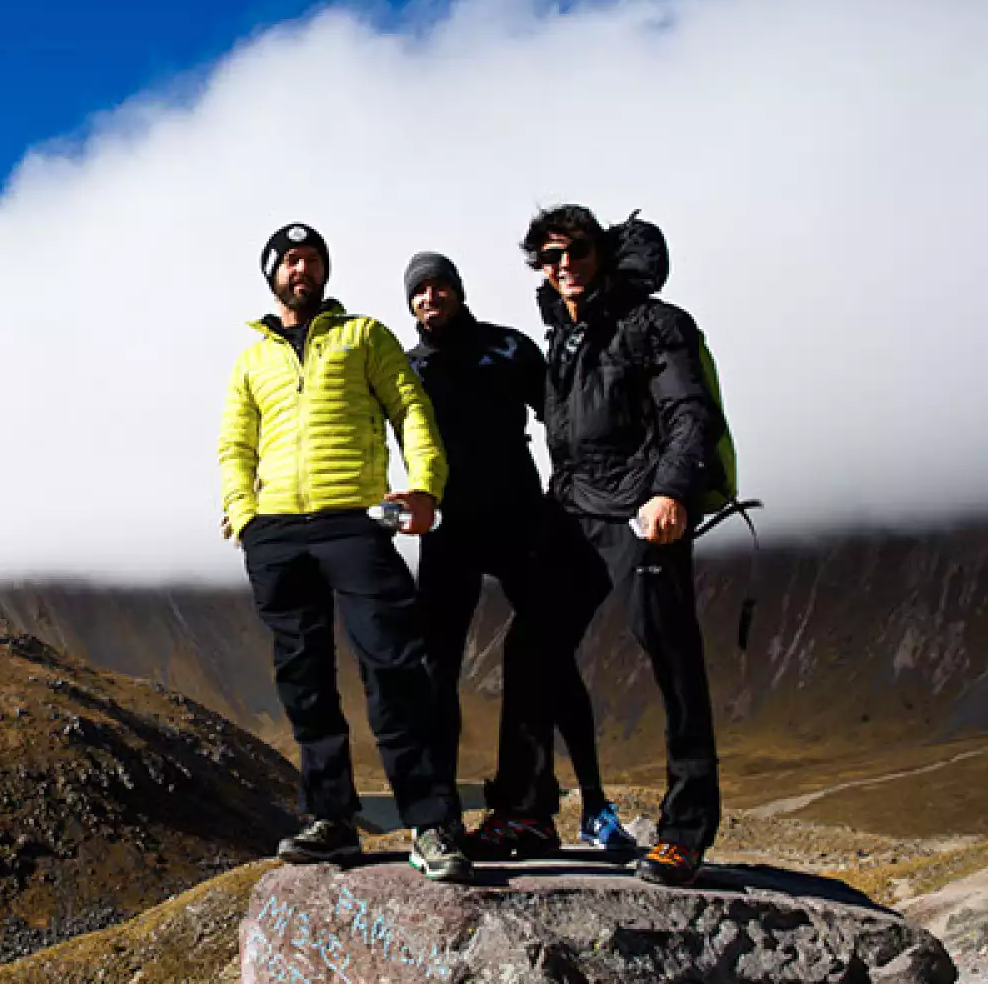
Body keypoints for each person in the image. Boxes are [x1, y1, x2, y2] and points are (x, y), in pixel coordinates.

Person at [476, 205, 722, 886]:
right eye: (549, 258)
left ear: (601, 251)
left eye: (574, 251)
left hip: (643, 510)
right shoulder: (562, 335)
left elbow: (688, 412)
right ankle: (524, 810)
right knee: (531, 648)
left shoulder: (654, 323)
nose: (562, 266)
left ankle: (685, 829)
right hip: (573, 513)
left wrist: (671, 489)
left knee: (670, 653)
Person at [218, 222, 471, 883]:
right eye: (291, 260)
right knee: (303, 680)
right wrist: (246, 518)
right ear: (272, 273)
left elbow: (412, 412)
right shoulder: (251, 359)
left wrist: (424, 487)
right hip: (276, 531)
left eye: (313, 260)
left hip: (355, 521)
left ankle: (432, 819)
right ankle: (330, 820)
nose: (303, 270)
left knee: (394, 665)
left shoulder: (364, 336)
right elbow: (234, 446)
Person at [401, 251, 634, 852]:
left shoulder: (508, 348)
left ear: (457, 289)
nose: (429, 298)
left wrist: (582, 492)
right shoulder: (406, 369)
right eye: (418, 292)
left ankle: (589, 802)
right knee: (434, 669)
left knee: (547, 655)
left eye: (438, 287)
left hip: (520, 517)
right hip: (448, 531)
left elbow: (564, 419)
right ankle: (442, 814)